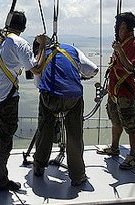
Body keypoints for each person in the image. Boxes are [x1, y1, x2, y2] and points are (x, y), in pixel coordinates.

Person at [0, 11, 46, 192]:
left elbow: (3, 63)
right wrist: (42, 46)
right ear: (23, 28)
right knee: (4, 139)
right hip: (6, 98)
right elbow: (36, 69)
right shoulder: (20, 43)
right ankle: (1, 181)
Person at [32, 37, 98, 186]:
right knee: (74, 134)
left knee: (44, 128)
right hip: (73, 97)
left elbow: (38, 84)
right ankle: (78, 175)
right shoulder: (72, 49)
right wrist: (78, 76)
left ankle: (39, 166)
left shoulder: (41, 55)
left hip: (50, 98)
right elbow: (93, 70)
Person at [97, 12, 135, 170]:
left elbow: (131, 67)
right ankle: (115, 147)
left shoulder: (134, 44)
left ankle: (132, 157)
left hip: (124, 93)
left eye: (117, 26)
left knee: (131, 126)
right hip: (114, 92)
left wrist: (120, 51)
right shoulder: (122, 43)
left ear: (123, 26)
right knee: (116, 121)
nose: (115, 29)